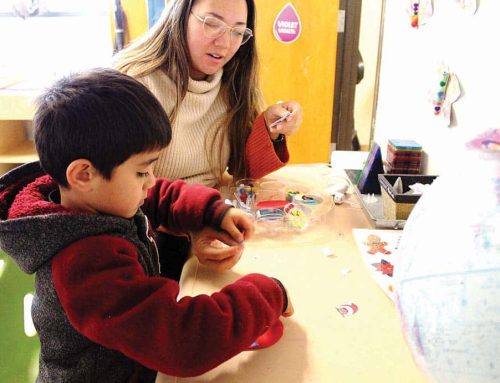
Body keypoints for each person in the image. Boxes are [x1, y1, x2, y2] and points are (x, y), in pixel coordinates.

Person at [0, 68, 294, 382]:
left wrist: (212, 212)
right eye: (142, 171)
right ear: (84, 175)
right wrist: (266, 294)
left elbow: (158, 196)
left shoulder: (88, 198)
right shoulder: (85, 264)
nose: (150, 181)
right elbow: (181, 342)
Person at [113, 0, 303, 279]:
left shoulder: (234, 79)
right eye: (212, 23)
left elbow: (242, 171)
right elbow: (117, 195)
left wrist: (270, 130)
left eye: (238, 31)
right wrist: (194, 226)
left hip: (208, 219)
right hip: (153, 234)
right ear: (180, 16)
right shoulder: (134, 84)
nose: (225, 43)